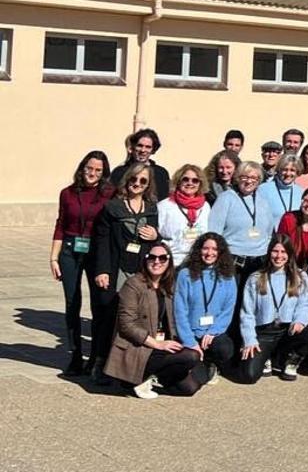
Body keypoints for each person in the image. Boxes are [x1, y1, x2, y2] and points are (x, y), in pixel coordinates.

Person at [104, 241, 205, 398]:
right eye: (152, 257)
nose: (157, 261)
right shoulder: (133, 285)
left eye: (162, 258)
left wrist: (191, 342)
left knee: (190, 388)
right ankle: (136, 379)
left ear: (169, 262)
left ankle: (152, 375)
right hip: (140, 346)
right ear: (145, 260)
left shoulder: (170, 286)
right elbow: (126, 325)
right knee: (190, 356)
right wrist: (157, 343)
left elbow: (180, 317)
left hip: (162, 345)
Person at [92, 163, 161, 379]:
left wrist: (155, 236)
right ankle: (99, 362)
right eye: (134, 179)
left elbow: (154, 244)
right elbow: (101, 241)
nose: (137, 184)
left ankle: (133, 365)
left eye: (143, 181)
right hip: (116, 269)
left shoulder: (151, 209)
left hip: (141, 271)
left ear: (148, 185)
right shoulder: (112, 208)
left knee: (138, 317)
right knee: (108, 315)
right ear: (127, 180)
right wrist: (102, 270)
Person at [51, 150, 112, 375]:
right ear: (82, 168)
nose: (92, 173)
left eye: (98, 170)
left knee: (99, 304)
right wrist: (53, 257)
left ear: (104, 172)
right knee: (72, 303)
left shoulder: (109, 194)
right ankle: (75, 355)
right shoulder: (67, 193)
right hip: (69, 250)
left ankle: (95, 357)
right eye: (89, 168)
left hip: (96, 252)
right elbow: (60, 224)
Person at [238, 235, 308, 382]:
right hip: (264, 333)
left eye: (283, 252)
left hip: (288, 331)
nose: (279, 256)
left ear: (289, 255)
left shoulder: (300, 276)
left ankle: (291, 360)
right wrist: (249, 339)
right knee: (249, 376)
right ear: (269, 253)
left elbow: (305, 304)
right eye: (275, 251)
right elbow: (247, 313)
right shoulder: (256, 278)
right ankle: (267, 357)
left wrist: (300, 321)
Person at [174, 232, 238, 385]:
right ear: (199, 250)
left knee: (225, 349)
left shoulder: (228, 276)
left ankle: (211, 362)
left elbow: (228, 309)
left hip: (212, 334)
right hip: (191, 334)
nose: (210, 253)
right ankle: (198, 361)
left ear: (220, 252)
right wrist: (190, 341)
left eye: (214, 249)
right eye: (205, 248)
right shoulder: (185, 274)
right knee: (198, 381)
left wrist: (214, 331)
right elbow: (180, 310)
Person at [208, 161, 272, 290]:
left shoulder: (263, 200)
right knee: (233, 301)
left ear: (259, 181)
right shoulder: (226, 198)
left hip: (259, 261)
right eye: (245, 177)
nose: (249, 181)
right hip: (233, 259)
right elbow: (214, 232)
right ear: (237, 178)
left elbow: (269, 231)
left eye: (254, 178)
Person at [158, 164, 211, 267]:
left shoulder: (205, 206)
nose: (190, 183)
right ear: (178, 181)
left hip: (197, 263)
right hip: (170, 263)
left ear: (200, 184)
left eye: (195, 180)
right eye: (185, 179)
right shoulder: (164, 206)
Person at [110, 128, 170, 199]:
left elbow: (163, 200)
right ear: (133, 147)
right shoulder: (119, 172)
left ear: (153, 150)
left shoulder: (161, 173)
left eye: (148, 147)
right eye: (140, 145)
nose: (143, 150)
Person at [260, 153, 303, 229]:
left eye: (292, 170)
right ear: (279, 170)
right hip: (272, 237)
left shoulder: (300, 192)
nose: (288, 173)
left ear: (297, 172)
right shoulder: (263, 189)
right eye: (285, 169)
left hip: (293, 238)